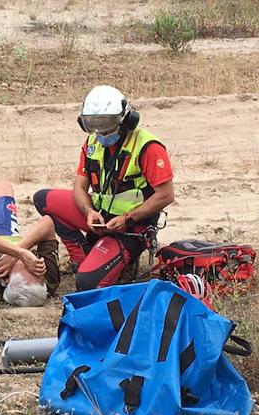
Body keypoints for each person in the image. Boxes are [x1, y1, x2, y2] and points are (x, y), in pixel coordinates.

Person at [32, 85, 174, 290]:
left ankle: (115, 261)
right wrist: (88, 211)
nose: (101, 131)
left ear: (126, 119)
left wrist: (128, 218)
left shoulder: (148, 147)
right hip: (99, 218)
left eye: (107, 124)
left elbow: (166, 194)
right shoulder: (92, 143)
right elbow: (79, 188)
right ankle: (84, 255)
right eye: (93, 124)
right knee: (43, 199)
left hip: (132, 228)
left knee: (87, 282)